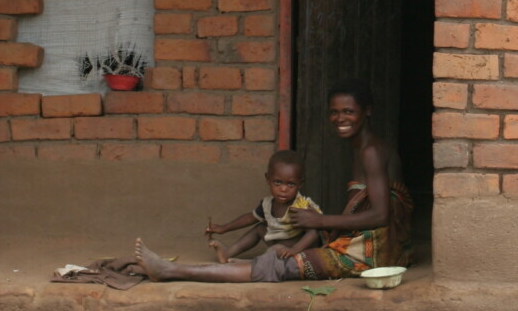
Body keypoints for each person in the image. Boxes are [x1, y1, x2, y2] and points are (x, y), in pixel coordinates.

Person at [134, 79, 413, 283]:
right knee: (280, 247)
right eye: (334, 112)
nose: (340, 118)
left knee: (278, 264)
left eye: (348, 112)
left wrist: (320, 221)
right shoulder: (363, 148)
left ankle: (171, 271)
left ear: (367, 111)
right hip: (372, 246)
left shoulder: (371, 152)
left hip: (375, 254)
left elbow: (380, 215)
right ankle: (227, 262)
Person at [204, 150, 322, 264]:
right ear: (268, 179)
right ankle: (228, 252)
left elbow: (313, 233)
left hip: (301, 250)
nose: (283, 189)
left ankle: (251, 264)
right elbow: (250, 218)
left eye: (291, 184)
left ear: (300, 184)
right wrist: (224, 228)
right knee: (259, 228)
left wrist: (294, 250)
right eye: (277, 182)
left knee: (275, 249)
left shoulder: (300, 207)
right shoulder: (268, 204)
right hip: (280, 243)